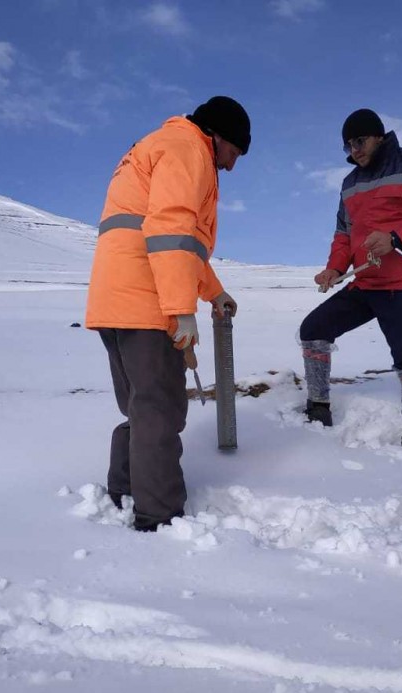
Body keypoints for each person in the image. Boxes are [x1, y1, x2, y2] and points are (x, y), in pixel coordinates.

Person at [85, 96, 249, 532]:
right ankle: (157, 515)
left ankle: (124, 488)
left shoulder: (162, 144)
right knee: (160, 411)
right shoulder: (187, 149)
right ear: (216, 136)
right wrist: (180, 310)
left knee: (140, 407)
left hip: (115, 300)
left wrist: (213, 292)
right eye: (233, 153)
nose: (231, 166)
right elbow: (170, 232)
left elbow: (184, 244)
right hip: (147, 300)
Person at [299, 109, 402, 450]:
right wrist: (334, 267)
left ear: (379, 136)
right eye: (348, 145)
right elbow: (343, 234)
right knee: (313, 330)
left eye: (359, 141)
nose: (354, 150)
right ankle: (318, 411)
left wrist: (397, 237)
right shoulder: (349, 184)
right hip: (365, 284)